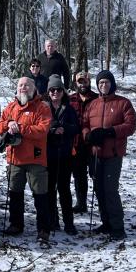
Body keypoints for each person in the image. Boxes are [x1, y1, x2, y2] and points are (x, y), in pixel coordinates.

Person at [0, 77, 52, 244]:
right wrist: (8, 124)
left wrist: (20, 127)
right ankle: (16, 224)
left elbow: (42, 130)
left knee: (40, 194)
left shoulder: (42, 107)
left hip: (36, 157)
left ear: (34, 88)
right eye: (20, 85)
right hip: (15, 157)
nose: (23, 88)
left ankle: (43, 228)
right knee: (15, 192)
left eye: (27, 85)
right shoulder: (11, 107)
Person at [82, 70, 136, 241]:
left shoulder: (123, 103)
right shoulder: (93, 104)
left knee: (110, 190)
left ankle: (117, 227)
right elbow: (84, 123)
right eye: (100, 83)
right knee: (99, 189)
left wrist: (110, 132)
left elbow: (131, 125)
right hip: (96, 154)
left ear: (112, 84)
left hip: (113, 154)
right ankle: (106, 222)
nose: (103, 85)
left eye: (106, 82)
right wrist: (88, 136)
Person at [43, 75, 79, 235]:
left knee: (64, 189)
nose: (55, 92)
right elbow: (41, 126)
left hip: (65, 154)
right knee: (50, 189)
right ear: (48, 92)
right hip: (48, 154)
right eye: (52, 90)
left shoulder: (69, 108)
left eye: (58, 90)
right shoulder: (43, 107)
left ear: (63, 92)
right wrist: (51, 130)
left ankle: (69, 223)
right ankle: (52, 221)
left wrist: (64, 128)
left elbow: (76, 127)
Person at [69, 71, 99, 213]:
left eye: (85, 81)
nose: (82, 84)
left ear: (89, 82)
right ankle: (81, 203)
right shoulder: (70, 99)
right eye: (80, 81)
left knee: (96, 175)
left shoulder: (97, 99)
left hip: (93, 144)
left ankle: (103, 204)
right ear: (76, 83)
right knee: (79, 175)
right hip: (76, 144)